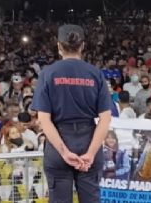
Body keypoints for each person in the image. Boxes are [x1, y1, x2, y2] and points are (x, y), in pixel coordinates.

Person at [31, 25, 112, 203]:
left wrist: (64, 151)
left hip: (58, 142)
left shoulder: (48, 74)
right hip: (89, 139)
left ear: (59, 46)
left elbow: (44, 120)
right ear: (82, 45)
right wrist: (90, 153)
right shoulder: (95, 74)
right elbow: (105, 119)